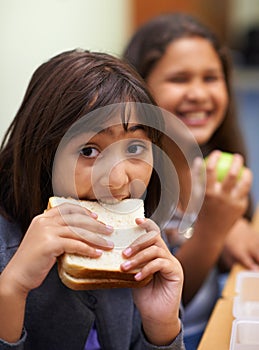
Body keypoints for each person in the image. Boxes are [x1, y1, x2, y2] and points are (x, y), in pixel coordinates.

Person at [0, 49, 185, 349]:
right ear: (44, 156)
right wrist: (12, 289)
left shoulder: (140, 236)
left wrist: (161, 323)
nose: (118, 181)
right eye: (89, 151)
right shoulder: (5, 250)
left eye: (135, 148)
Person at [122, 12, 258, 349]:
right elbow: (158, 299)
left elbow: (247, 252)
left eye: (211, 78)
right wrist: (215, 228)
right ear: (139, 88)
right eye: (180, 79)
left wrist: (229, 229)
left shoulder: (209, 162)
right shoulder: (128, 182)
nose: (198, 93)